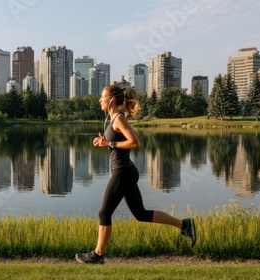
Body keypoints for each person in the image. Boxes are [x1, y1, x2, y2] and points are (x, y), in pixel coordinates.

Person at [75, 85, 196, 264]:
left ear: (112, 100)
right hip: (125, 171)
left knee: (104, 213)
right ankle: (185, 225)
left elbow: (135, 143)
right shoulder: (113, 118)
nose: (99, 100)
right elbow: (116, 143)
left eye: (102, 97)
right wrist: (105, 143)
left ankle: (98, 255)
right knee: (141, 214)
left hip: (123, 172)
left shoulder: (119, 119)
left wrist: (111, 144)